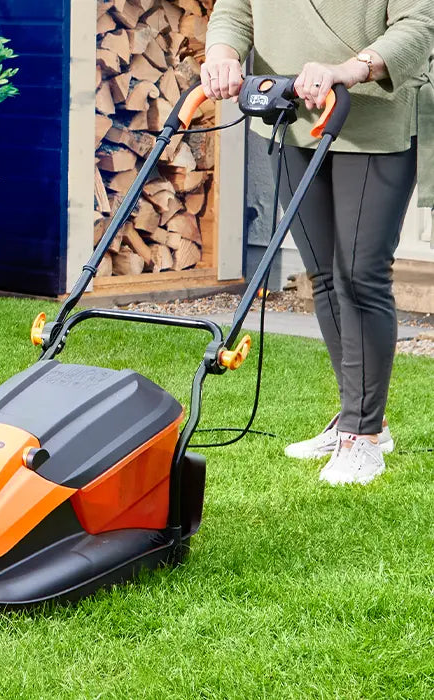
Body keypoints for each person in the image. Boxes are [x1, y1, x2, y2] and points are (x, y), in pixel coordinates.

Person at [203, 0, 434, 485]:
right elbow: (235, 10)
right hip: (290, 115)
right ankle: (361, 419)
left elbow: (420, 22)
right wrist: (222, 54)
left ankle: (364, 438)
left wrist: (348, 70)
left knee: (360, 274)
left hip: (375, 123)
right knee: (325, 276)